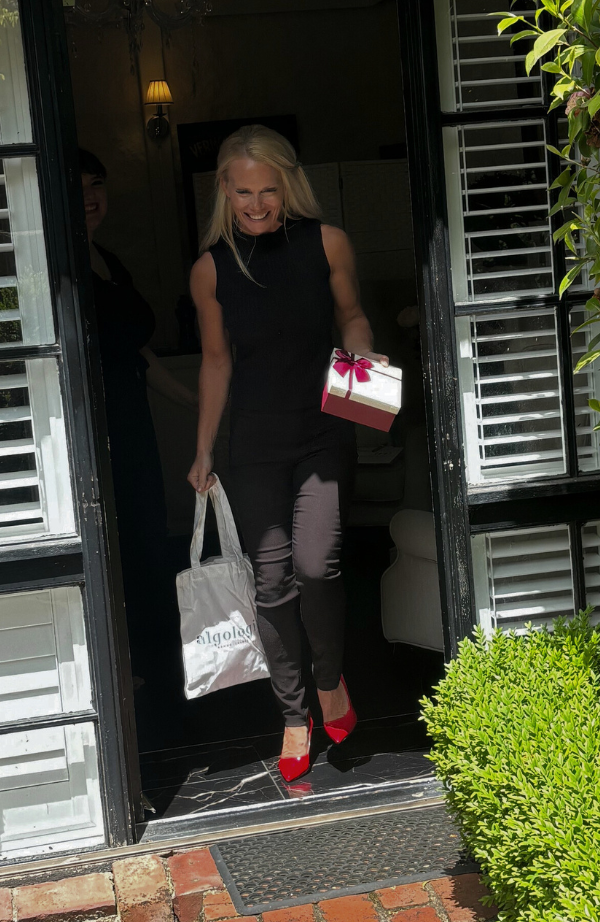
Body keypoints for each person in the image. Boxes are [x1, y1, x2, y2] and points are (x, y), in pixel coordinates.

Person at [186, 126, 388, 783]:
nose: (256, 204)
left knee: (317, 567)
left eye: (268, 191)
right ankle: (294, 715)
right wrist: (203, 449)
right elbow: (216, 361)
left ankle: (330, 682)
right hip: (254, 443)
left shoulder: (327, 243)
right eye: (243, 192)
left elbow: (351, 315)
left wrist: (363, 354)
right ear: (225, 188)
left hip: (324, 429)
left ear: (288, 185)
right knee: (271, 586)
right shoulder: (210, 269)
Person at [81, 149, 195, 738]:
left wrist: (195, 402)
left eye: (97, 184)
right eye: (77, 187)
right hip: (93, 430)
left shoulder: (109, 261)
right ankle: (113, 668)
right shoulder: (57, 264)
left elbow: (139, 352)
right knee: (112, 544)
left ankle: (149, 665)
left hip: (133, 422)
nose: (90, 197)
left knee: (147, 536)